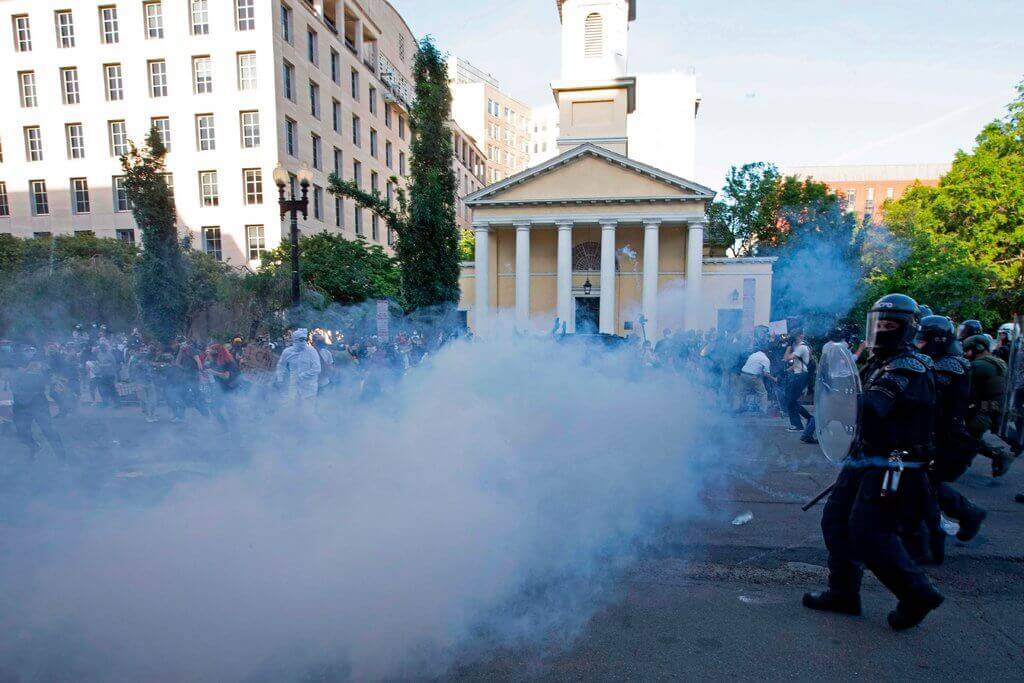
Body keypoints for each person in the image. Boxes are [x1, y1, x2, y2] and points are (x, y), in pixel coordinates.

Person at [803, 294, 944, 631]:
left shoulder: (908, 366)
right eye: (878, 323)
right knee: (835, 521)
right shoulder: (880, 362)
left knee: (870, 534)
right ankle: (843, 593)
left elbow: (873, 407)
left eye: (890, 324)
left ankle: (916, 592)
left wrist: (836, 398)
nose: (881, 330)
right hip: (864, 458)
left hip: (894, 466)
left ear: (907, 328)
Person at [911, 315, 986, 564]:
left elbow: (927, 401)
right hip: (939, 436)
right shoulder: (946, 360)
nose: (918, 344)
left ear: (937, 340)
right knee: (924, 486)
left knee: (924, 489)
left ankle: (933, 548)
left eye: (923, 340)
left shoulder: (947, 367)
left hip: (945, 440)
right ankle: (967, 514)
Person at [963, 334, 1014, 476]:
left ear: (977, 348)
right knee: (969, 436)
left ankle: (999, 456)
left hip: (985, 409)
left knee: (966, 435)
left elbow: (964, 389)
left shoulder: (979, 365)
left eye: (967, 350)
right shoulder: (996, 361)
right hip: (996, 407)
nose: (966, 353)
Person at [10, 358, 66, 460]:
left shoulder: (39, 370)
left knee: (49, 431)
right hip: (20, 407)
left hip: (39, 405)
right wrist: (26, 369)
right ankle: (34, 446)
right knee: (22, 433)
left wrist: (55, 381)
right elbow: (14, 384)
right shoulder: (14, 373)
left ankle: (62, 457)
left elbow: (49, 378)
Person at [275, 329, 321, 414]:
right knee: (292, 409)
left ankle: (309, 426)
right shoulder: (287, 352)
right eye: (301, 339)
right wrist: (280, 378)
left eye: (304, 339)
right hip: (294, 385)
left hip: (309, 386)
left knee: (307, 411)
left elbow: (317, 368)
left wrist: (302, 376)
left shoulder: (311, 351)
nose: (303, 341)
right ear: (295, 340)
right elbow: (281, 365)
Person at [783, 333, 813, 432]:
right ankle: (808, 419)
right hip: (800, 375)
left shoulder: (801, 347)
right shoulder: (804, 347)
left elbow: (787, 358)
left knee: (791, 401)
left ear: (798, 336)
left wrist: (788, 346)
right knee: (792, 401)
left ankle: (798, 425)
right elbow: (799, 363)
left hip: (800, 376)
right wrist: (788, 370)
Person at [735, 345, 775, 413]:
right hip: (752, 376)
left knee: (742, 392)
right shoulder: (765, 359)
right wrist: (774, 379)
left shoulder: (753, 354)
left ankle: (740, 407)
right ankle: (763, 410)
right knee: (763, 393)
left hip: (743, 374)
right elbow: (766, 374)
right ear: (768, 352)